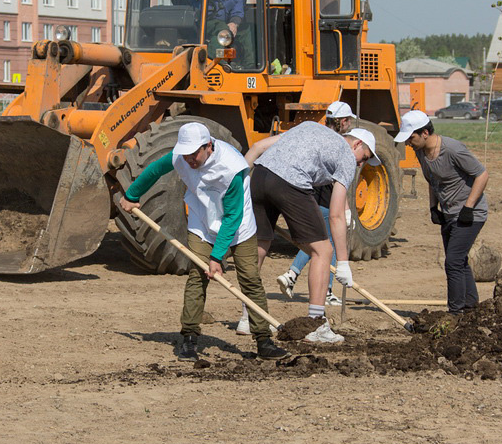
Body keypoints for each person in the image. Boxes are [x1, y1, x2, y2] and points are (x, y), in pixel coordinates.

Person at [118, 122, 288, 362]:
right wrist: (131, 195)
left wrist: (217, 257)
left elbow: (232, 217)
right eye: (185, 154)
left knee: (250, 277)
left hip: (238, 226)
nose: (189, 160)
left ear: (208, 145)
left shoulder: (232, 167)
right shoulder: (181, 156)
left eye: (194, 154)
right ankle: (188, 338)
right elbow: (155, 170)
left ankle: (263, 340)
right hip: (201, 221)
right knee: (197, 275)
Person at [244, 121, 380, 344]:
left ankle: (248, 317)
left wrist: (239, 183)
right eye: (364, 158)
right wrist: (343, 262)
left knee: (260, 244)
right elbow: (336, 215)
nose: (359, 165)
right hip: (290, 183)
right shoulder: (346, 157)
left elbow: (258, 146)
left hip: (259, 176)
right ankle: (315, 325)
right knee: (323, 251)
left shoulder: (308, 127)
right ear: (356, 144)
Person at [394, 110, 489, 315]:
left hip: (470, 213)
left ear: (425, 133)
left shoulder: (453, 149)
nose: (408, 143)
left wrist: (468, 207)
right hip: (448, 212)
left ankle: (455, 313)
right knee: (459, 259)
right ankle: (471, 306)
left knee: (453, 261)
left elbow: (482, 174)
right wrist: (432, 207)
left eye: (411, 138)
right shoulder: (421, 152)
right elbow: (433, 180)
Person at [274, 101, 356, 307]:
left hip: (309, 195)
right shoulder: (339, 143)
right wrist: (346, 210)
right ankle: (324, 289)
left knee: (319, 242)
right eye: (348, 122)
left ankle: (292, 275)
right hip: (327, 200)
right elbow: (340, 182)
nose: (349, 126)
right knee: (330, 244)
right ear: (343, 121)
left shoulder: (315, 134)